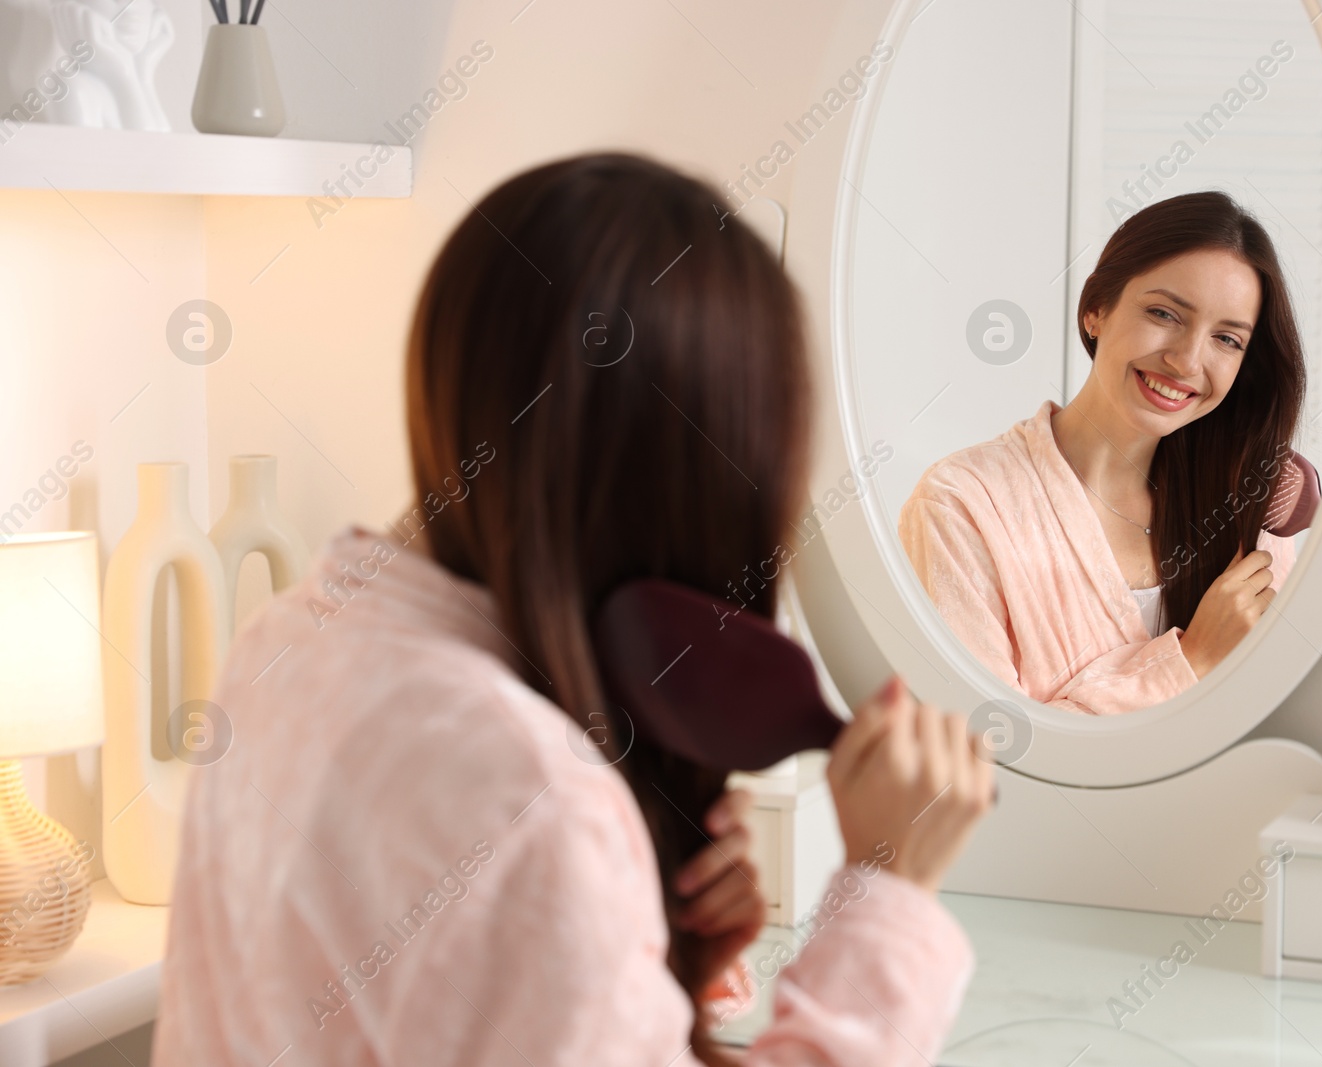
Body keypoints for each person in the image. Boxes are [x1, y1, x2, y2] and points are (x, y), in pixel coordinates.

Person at [151, 153, 993, 1066]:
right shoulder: (532, 802)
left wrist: (650, 945)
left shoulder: (291, 638)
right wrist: (886, 893)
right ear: (702, 486)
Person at [899, 191, 1321, 717]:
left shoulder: (1249, 510)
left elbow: (1274, 717)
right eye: (1165, 313)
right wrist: (1192, 660)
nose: (1187, 361)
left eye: (1227, 339)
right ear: (1096, 310)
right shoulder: (961, 504)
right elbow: (984, 758)